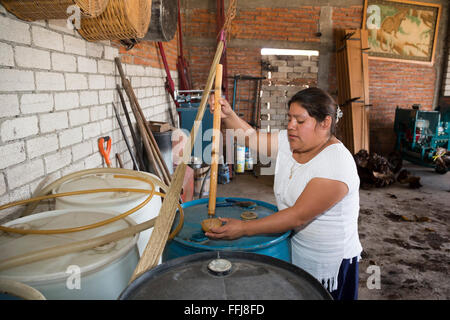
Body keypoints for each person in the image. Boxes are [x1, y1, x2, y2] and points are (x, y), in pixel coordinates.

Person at [206, 87, 362, 300]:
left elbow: (298, 215)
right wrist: (228, 115)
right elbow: (250, 137)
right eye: (289, 118)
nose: (290, 126)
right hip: (297, 249)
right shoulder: (292, 142)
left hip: (329, 263)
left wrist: (243, 228)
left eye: (300, 121)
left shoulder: (336, 163)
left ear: (325, 123)